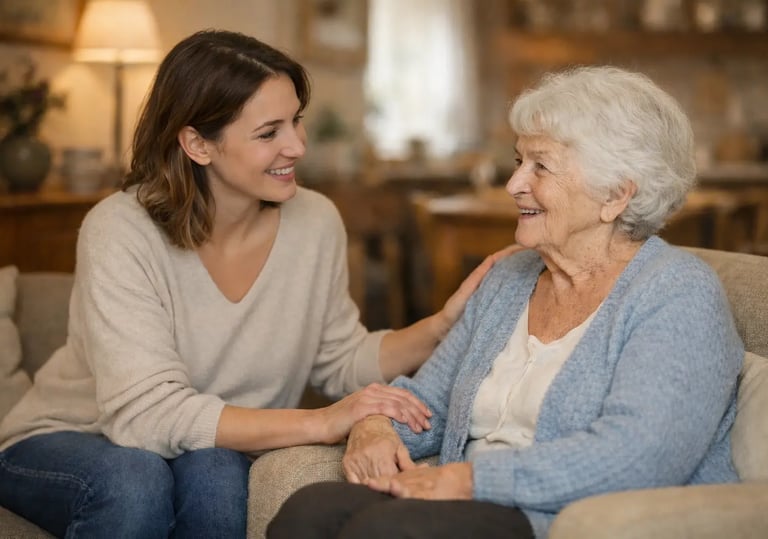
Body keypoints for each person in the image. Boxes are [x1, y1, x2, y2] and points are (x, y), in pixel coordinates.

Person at [0, 30, 512, 538]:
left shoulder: (315, 221)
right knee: (133, 479)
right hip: (68, 437)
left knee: (218, 474)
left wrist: (442, 324)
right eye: (269, 133)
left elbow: (339, 359)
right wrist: (323, 422)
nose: (297, 146)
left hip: (208, 446)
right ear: (198, 143)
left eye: (296, 121)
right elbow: (146, 416)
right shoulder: (119, 229)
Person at [267, 65, 745, 539]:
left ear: (616, 196)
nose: (514, 184)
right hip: (468, 502)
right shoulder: (510, 278)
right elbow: (428, 401)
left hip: (565, 517)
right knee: (310, 511)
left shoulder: (678, 295)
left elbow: (637, 455)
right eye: (519, 161)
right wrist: (375, 425)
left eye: (541, 166)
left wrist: (470, 479)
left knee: (391, 531)